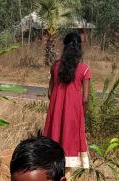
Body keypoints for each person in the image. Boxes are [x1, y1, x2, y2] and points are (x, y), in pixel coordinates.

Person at [43, 32, 91, 170]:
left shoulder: (55, 66)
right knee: (71, 142)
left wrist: (58, 104)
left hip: (56, 112)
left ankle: (54, 174)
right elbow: (86, 99)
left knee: (55, 137)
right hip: (74, 112)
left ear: (64, 47)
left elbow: (50, 92)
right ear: (79, 48)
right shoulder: (84, 69)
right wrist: (83, 114)